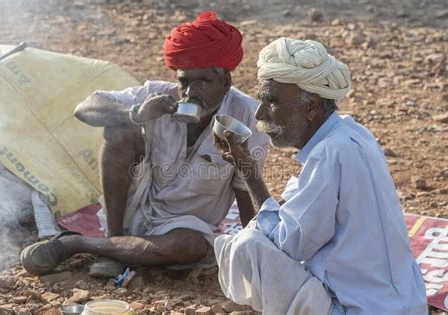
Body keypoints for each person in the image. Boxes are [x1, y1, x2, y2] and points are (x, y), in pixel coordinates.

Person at [20, 11, 269, 277]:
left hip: (186, 226)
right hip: (134, 209)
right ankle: (115, 238)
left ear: (225, 81)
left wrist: (253, 254)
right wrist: (135, 114)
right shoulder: (159, 96)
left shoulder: (246, 118)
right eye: (184, 81)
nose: (190, 93)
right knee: (119, 131)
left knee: (190, 246)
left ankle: (77, 244)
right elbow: (85, 108)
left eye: (203, 82)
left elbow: (247, 192)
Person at [213, 38, 427, 314]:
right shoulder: (353, 134)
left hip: (360, 308)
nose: (260, 113)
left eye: (271, 101)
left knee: (248, 244)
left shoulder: (329, 154)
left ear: (311, 107)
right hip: (404, 304)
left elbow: (289, 244)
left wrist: (251, 176)